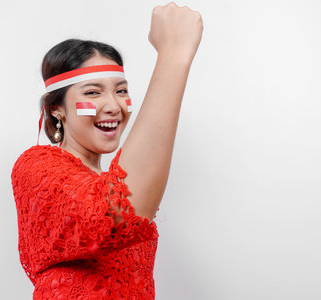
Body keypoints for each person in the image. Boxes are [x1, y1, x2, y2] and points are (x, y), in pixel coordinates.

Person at [11, 3, 203, 299]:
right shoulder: (36, 167)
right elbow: (119, 212)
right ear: (57, 109)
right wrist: (173, 56)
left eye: (121, 90)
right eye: (92, 92)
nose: (113, 106)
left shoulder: (111, 179)